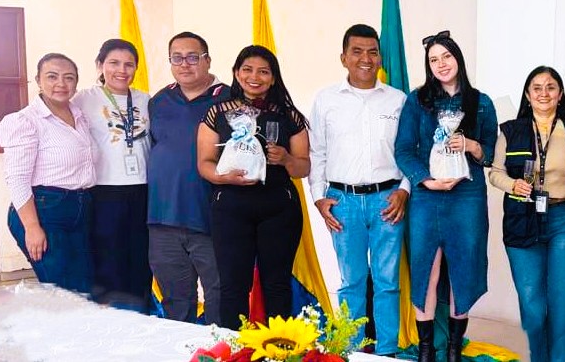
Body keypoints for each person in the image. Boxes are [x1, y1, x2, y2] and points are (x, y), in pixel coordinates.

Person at [395, 31, 497, 362]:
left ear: (458, 59)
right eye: (433, 60)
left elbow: (489, 154)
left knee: (463, 268)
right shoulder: (417, 100)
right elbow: (403, 150)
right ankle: (427, 350)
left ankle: (454, 348)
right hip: (428, 196)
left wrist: (470, 145)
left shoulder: (481, 103)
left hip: (467, 195)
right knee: (427, 267)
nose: (441, 64)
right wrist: (426, 180)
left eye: (446, 57)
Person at [308, 24, 408, 356]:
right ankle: (352, 352)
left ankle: (387, 352)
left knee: (387, 282)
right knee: (351, 282)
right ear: (343, 58)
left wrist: (405, 190)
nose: (366, 58)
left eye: (372, 52)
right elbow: (317, 152)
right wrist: (319, 197)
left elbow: (410, 151)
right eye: (357, 51)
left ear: (380, 57)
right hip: (342, 201)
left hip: (387, 200)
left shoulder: (398, 100)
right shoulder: (326, 99)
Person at [196, 45, 310, 330]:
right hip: (230, 206)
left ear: (273, 78)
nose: (254, 77)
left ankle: (280, 347)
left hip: (278, 208)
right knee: (233, 284)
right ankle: (233, 347)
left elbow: (304, 167)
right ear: (236, 73)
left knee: (277, 284)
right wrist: (224, 178)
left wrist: (286, 159)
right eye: (247, 70)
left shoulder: (289, 116)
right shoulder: (217, 113)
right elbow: (204, 163)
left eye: (263, 72)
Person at [488, 66, 565, 362]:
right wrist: (513, 184)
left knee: (562, 303)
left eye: (550, 87)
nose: (544, 93)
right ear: (527, 95)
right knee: (532, 305)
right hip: (522, 218)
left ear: (560, 94)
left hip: (564, 219)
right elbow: (496, 173)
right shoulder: (510, 130)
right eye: (537, 88)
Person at [0, 53, 97, 294]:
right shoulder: (24, 121)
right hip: (44, 210)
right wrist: (32, 227)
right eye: (52, 76)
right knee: (62, 291)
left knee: (85, 287)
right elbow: (17, 179)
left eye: (69, 77)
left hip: (81, 207)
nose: (61, 84)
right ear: (38, 81)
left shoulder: (79, 115)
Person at [147, 32, 229, 324]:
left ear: (208, 60)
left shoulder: (229, 99)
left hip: (212, 220)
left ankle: (219, 349)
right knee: (176, 303)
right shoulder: (159, 101)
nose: (184, 64)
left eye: (193, 57)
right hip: (163, 220)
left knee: (221, 297)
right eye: (177, 58)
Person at [72, 39, 152, 312]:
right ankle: (111, 317)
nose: (122, 70)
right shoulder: (83, 99)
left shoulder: (145, 100)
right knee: (107, 258)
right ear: (100, 65)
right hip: (103, 190)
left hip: (142, 189)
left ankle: (141, 313)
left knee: (140, 257)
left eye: (129, 64)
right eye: (114, 63)